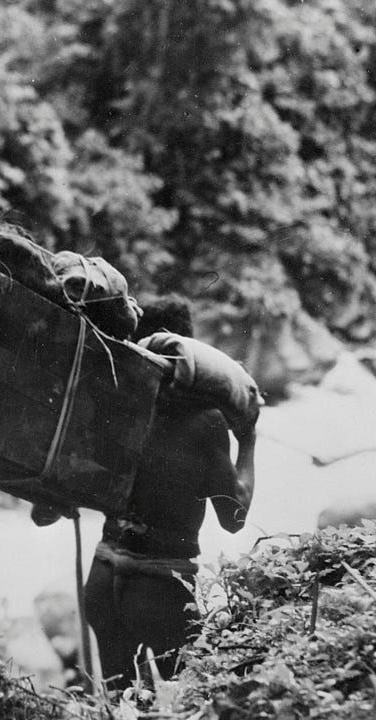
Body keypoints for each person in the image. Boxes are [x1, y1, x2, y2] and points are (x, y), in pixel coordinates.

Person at [82, 296, 254, 692]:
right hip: (159, 590)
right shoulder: (206, 422)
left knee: (115, 699)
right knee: (181, 698)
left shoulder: (118, 405)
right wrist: (248, 441)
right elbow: (234, 519)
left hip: (103, 579)